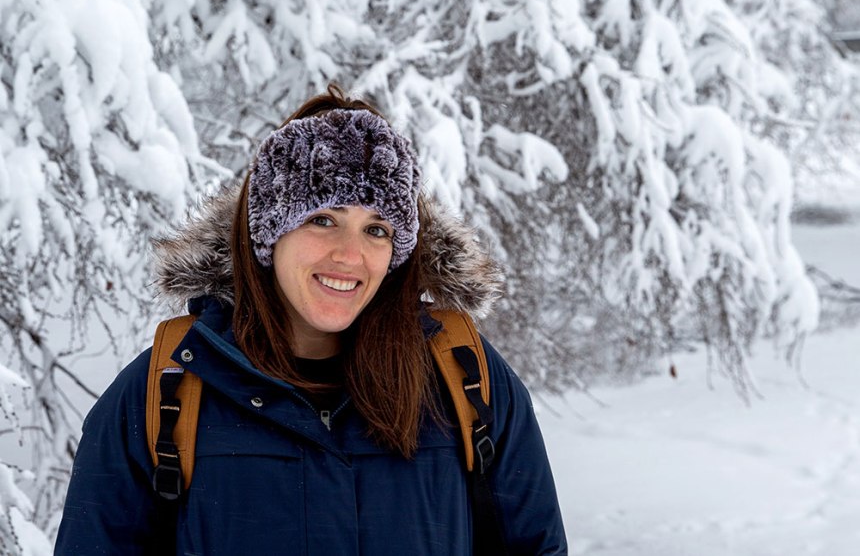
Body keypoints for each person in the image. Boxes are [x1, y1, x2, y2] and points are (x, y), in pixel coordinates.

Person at [55, 85, 567, 554]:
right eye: (323, 219)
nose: (350, 255)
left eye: (377, 230)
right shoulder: (167, 392)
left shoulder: (465, 377)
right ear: (269, 232)